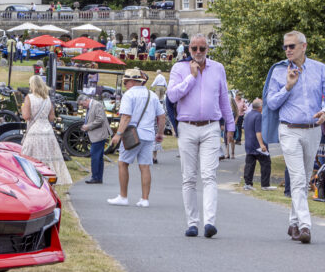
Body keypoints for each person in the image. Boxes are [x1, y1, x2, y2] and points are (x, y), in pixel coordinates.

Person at [166, 34, 233, 237]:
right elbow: (172, 95)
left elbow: (223, 99)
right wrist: (191, 77)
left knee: (209, 175)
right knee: (189, 177)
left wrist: (230, 125)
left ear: (207, 50)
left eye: (202, 49)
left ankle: (209, 222)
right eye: (194, 48)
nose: (197, 52)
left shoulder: (218, 68)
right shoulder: (179, 69)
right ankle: (192, 222)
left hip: (211, 126)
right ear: (188, 50)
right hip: (187, 125)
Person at [262, 30, 325, 244]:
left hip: (313, 129)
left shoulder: (320, 69)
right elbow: (271, 103)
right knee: (298, 178)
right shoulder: (280, 71)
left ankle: (293, 222)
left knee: (305, 178)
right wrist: (288, 87)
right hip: (289, 129)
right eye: (285, 47)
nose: (288, 50)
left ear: (303, 46)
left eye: (292, 46)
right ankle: (306, 225)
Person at [107, 68, 166, 207]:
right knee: (145, 166)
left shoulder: (129, 95)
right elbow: (162, 116)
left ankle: (123, 196)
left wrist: (118, 134)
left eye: (126, 82)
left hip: (133, 134)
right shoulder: (152, 95)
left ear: (132, 81)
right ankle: (145, 199)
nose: (125, 84)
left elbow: (126, 117)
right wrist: (160, 133)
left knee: (123, 163)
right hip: (149, 134)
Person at [20, 75, 72, 185]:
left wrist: (22, 108)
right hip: (47, 130)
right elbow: (52, 117)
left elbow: (26, 116)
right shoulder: (47, 98)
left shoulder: (29, 97)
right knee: (49, 155)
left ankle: (33, 176)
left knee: (31, 155)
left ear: (32, 85)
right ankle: (50, 176)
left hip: (34, 130)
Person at [242, 99, 272, 191]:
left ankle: (247, 183)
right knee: (266, 163)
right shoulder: (259, 116)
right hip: (257, 144)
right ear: (260, 107)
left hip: (249, 143)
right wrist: (262, 144)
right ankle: (265, 184)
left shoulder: (247, 115)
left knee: (249, 164)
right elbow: (258, 131)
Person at [80, 94, 110, 184]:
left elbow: (100, 119)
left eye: (82, 105)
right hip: (97, 134)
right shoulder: (91, 106)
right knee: (99, 157)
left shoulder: (96, 105)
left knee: (95, 156)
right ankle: (98, 177)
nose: (82, 107)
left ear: (86, 100)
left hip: (99, 134)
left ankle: (95, 177)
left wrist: (88, 126)